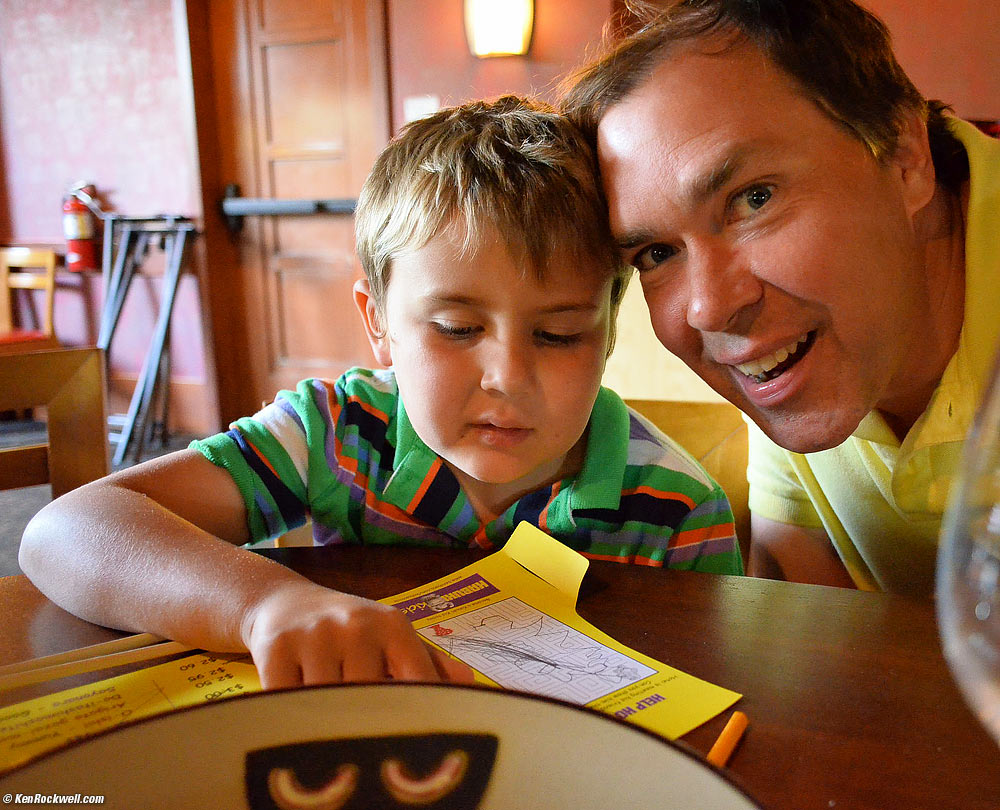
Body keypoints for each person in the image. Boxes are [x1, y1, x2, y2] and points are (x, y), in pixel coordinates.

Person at [19, 96, 742, 690]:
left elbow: (720, 697)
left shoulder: (679, 506)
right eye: (457, 328)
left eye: (558, 335)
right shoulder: (336, 434)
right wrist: (264, 604)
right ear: (379, 325)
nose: (507, 376)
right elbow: (66, 532)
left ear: (610, 329)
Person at [561, 0, 1000, 596]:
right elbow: (801, 627)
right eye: (658, 254)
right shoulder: (808, 350)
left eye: (754, 199)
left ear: (903, 157)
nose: (709, 308)